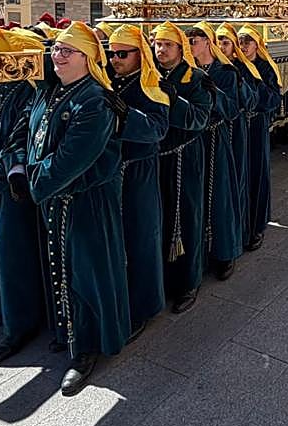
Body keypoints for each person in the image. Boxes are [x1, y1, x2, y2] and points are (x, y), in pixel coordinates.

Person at [27, 22, 130, 396]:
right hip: (57, 199)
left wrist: (34, 185)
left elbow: (72, 159)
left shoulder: (95, 100)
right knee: (61, 269)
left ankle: (88, 348)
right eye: (55, 48)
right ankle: (67, 332)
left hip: (85, 202)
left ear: (88, 59)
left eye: (67, 51)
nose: (57, 55)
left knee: (87, 274)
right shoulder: (55, 92)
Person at [0, 27, 45, 367]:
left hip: (12, 186)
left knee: (16, 254)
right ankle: (3, 310)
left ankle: (20, 325)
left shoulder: (30, 93)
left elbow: (18, 145)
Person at [108, 24, 171, 334]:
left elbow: (158, 129)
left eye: (122, 53)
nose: (115, 59)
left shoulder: (151, 85)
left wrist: (127, 116)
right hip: (110, 174)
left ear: (138, 55)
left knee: (141, 237)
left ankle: (144, 306)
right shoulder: (109, 82)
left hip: (138, 172)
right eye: (111, 53)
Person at [154, 21, 212, 314]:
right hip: (154, 159)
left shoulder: (196, 79)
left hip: (184, 159)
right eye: (157, 44)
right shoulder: (149, 76)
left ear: (180, 49)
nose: (161, 50)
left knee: (187, 217)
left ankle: (189, 281)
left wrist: (174, 99)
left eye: (167, 45)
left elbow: (200, 119)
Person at [186, 22, 243, 280]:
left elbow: (232, 109)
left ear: (207, 42)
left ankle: (225, 253)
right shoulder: (188, 71)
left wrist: (215, 92)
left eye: (194, 41)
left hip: (215, 139)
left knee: (220, 196)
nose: (190, 46)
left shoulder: (226, 72)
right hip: (193, 143)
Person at [237, 25, 282, 250]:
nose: (243, 47)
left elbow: (274, 99)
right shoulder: (234, 66)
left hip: (255, 126)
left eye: (247, 42)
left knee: (256, 173)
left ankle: (257, 225)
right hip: (237, 128)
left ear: (257, 45)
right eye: (240, 42)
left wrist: (256, 88)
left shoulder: (265, 68)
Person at [217, 22, 257, 248]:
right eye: (218, 42)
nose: (222, 47)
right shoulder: (213, 68)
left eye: (226, 42)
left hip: (241, 131)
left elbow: (256, 100)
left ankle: (244, 231)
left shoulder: (244, 69)